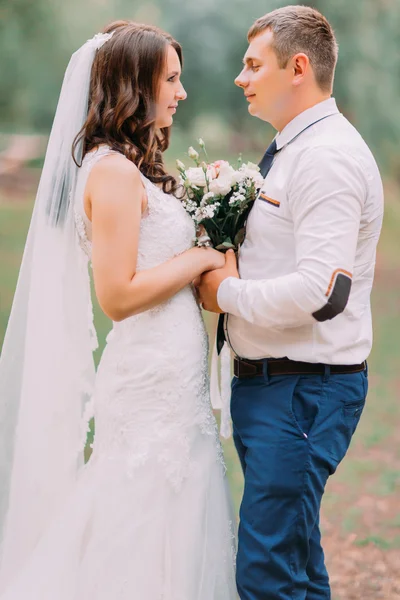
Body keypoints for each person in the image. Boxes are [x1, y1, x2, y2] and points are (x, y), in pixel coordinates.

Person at [0, 21, 237, 599]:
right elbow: (118, 295)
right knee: (140, 507)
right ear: (134, 85)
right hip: (148, 379)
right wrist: (199, 257)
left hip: (173, 371)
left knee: (180, 505)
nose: (182, 93)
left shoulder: (132, 167)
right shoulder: (110, 172)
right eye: (171, 80)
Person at [197, 5, 383, 599]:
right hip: (278, 388)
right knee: (293, 563)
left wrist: (224, 292)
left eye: (253, 64)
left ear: (297, 66)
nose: (240, 77)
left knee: (268, 571)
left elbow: (325, 293)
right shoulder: (293, 150)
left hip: (303, 391)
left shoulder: (326, 157)